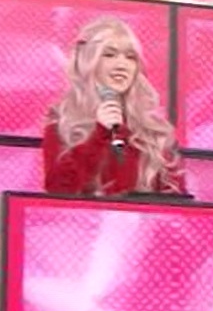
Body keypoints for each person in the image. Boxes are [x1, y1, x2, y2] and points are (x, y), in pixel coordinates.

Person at [42, 19, 186, 197]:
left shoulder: (153, 131)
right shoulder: (63, 120)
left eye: (130, 57)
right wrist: (99, 135)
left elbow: (177, 201)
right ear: (88, 61)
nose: (121, 65)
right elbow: (58, 191)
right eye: (109, 55)